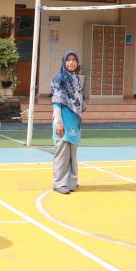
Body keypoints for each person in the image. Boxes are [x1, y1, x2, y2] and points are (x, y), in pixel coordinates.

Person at [52, 51, 84, 195]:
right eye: (68, 60)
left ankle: (71, 182)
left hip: (74, 120)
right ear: (64, 62)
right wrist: (58, 123)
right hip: (63, 120)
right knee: (62, 154)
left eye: (74, 59)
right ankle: (59, 183)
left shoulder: (76, 78)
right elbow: (56, 103)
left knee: (72, 153)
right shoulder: (59, 79)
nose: (71, 62)